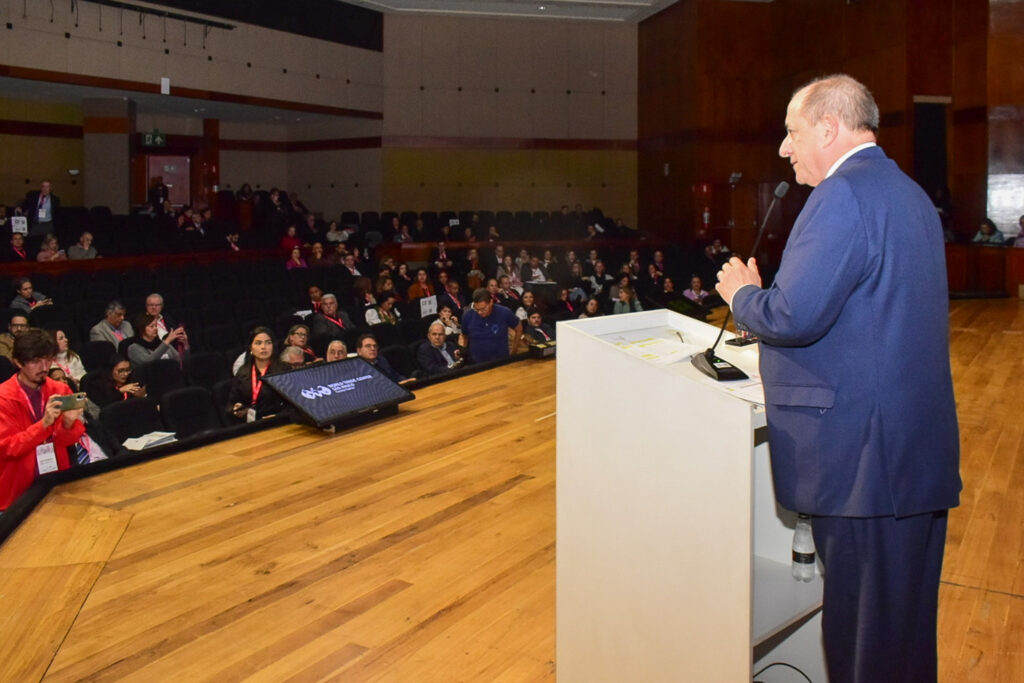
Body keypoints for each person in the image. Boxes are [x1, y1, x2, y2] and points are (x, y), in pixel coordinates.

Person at [715, 74, 960, 683]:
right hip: (907, 461)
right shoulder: (906, 194)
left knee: (863, 645)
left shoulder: (843, 195)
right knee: (902, 641)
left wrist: (744, 295)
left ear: (829, 127)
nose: (784, 148)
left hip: (863, 467)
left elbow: (795, 313)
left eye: (792, 132)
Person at [0, 328, 85, 510]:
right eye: (36, 361)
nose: (44, 368)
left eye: (48, 360)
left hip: (56, 480)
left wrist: (69, 424)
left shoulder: (60, 390)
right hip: (18, 488)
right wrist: (44, 424)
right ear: (18, 362)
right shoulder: (3, 398)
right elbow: (9, 448)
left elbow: (69, 440)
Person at [228, 327, 287, 422]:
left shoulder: (283, 369)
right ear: (251, 347)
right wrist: (236, 408)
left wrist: (278, 416)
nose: (263, 347)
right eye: (258, 343)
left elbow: (294, 403)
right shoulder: (243, 372)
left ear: (273, 346)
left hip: (280, 421)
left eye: (268, 342)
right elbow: (232, 402)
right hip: (253, 423)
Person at [459, 288, 522, 364]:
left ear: (491, 302)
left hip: (501, 363)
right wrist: (462, 352)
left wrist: (514, 351)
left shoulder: (504, 312)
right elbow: (464, 336)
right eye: (477, 309)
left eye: (483, 309)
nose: (480, 312)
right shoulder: (467, 316)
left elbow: (519, 328)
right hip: (477, 365)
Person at [125, 314, 189, 369]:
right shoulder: (133, 348)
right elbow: (148, 363)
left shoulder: (163, 344)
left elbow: (181, 363)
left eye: (156, 325)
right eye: (151, 326)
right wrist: (167, 341)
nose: (155, 328)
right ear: (141, 329)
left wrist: (185, 345)